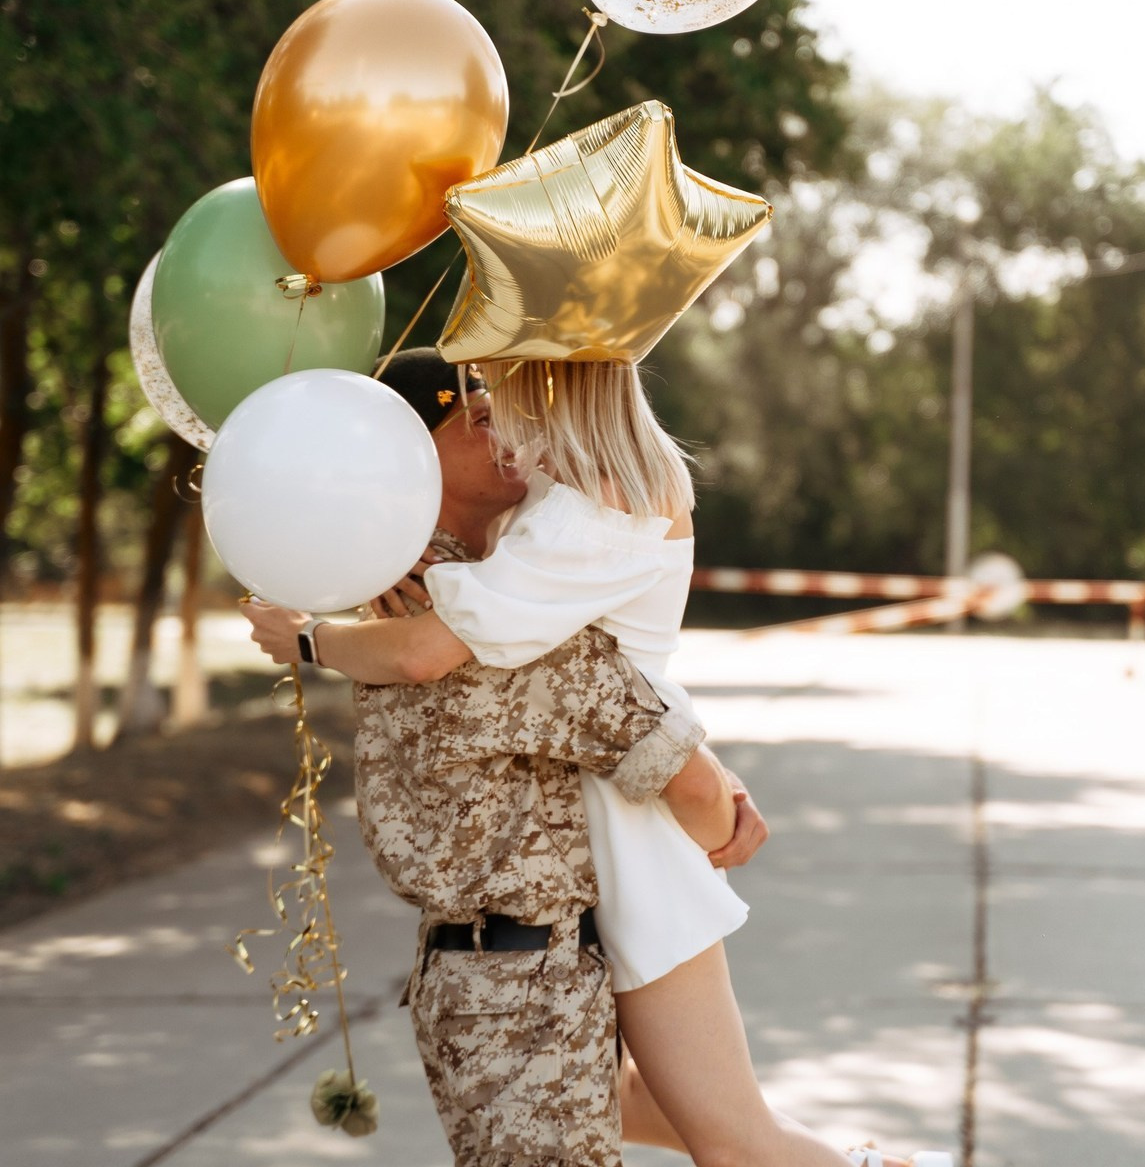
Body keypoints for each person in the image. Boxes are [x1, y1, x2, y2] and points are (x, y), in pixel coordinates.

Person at [244, 354, 951, 1167]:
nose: (503, 429)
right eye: (474, 420)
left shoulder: (527, 580)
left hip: (607, 882)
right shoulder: (485, 575)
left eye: (499, 405)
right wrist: (370, 566)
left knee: (721, 1134)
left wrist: (312, 636)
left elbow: (450, 658)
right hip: (543, 930)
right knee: (656, 1106)